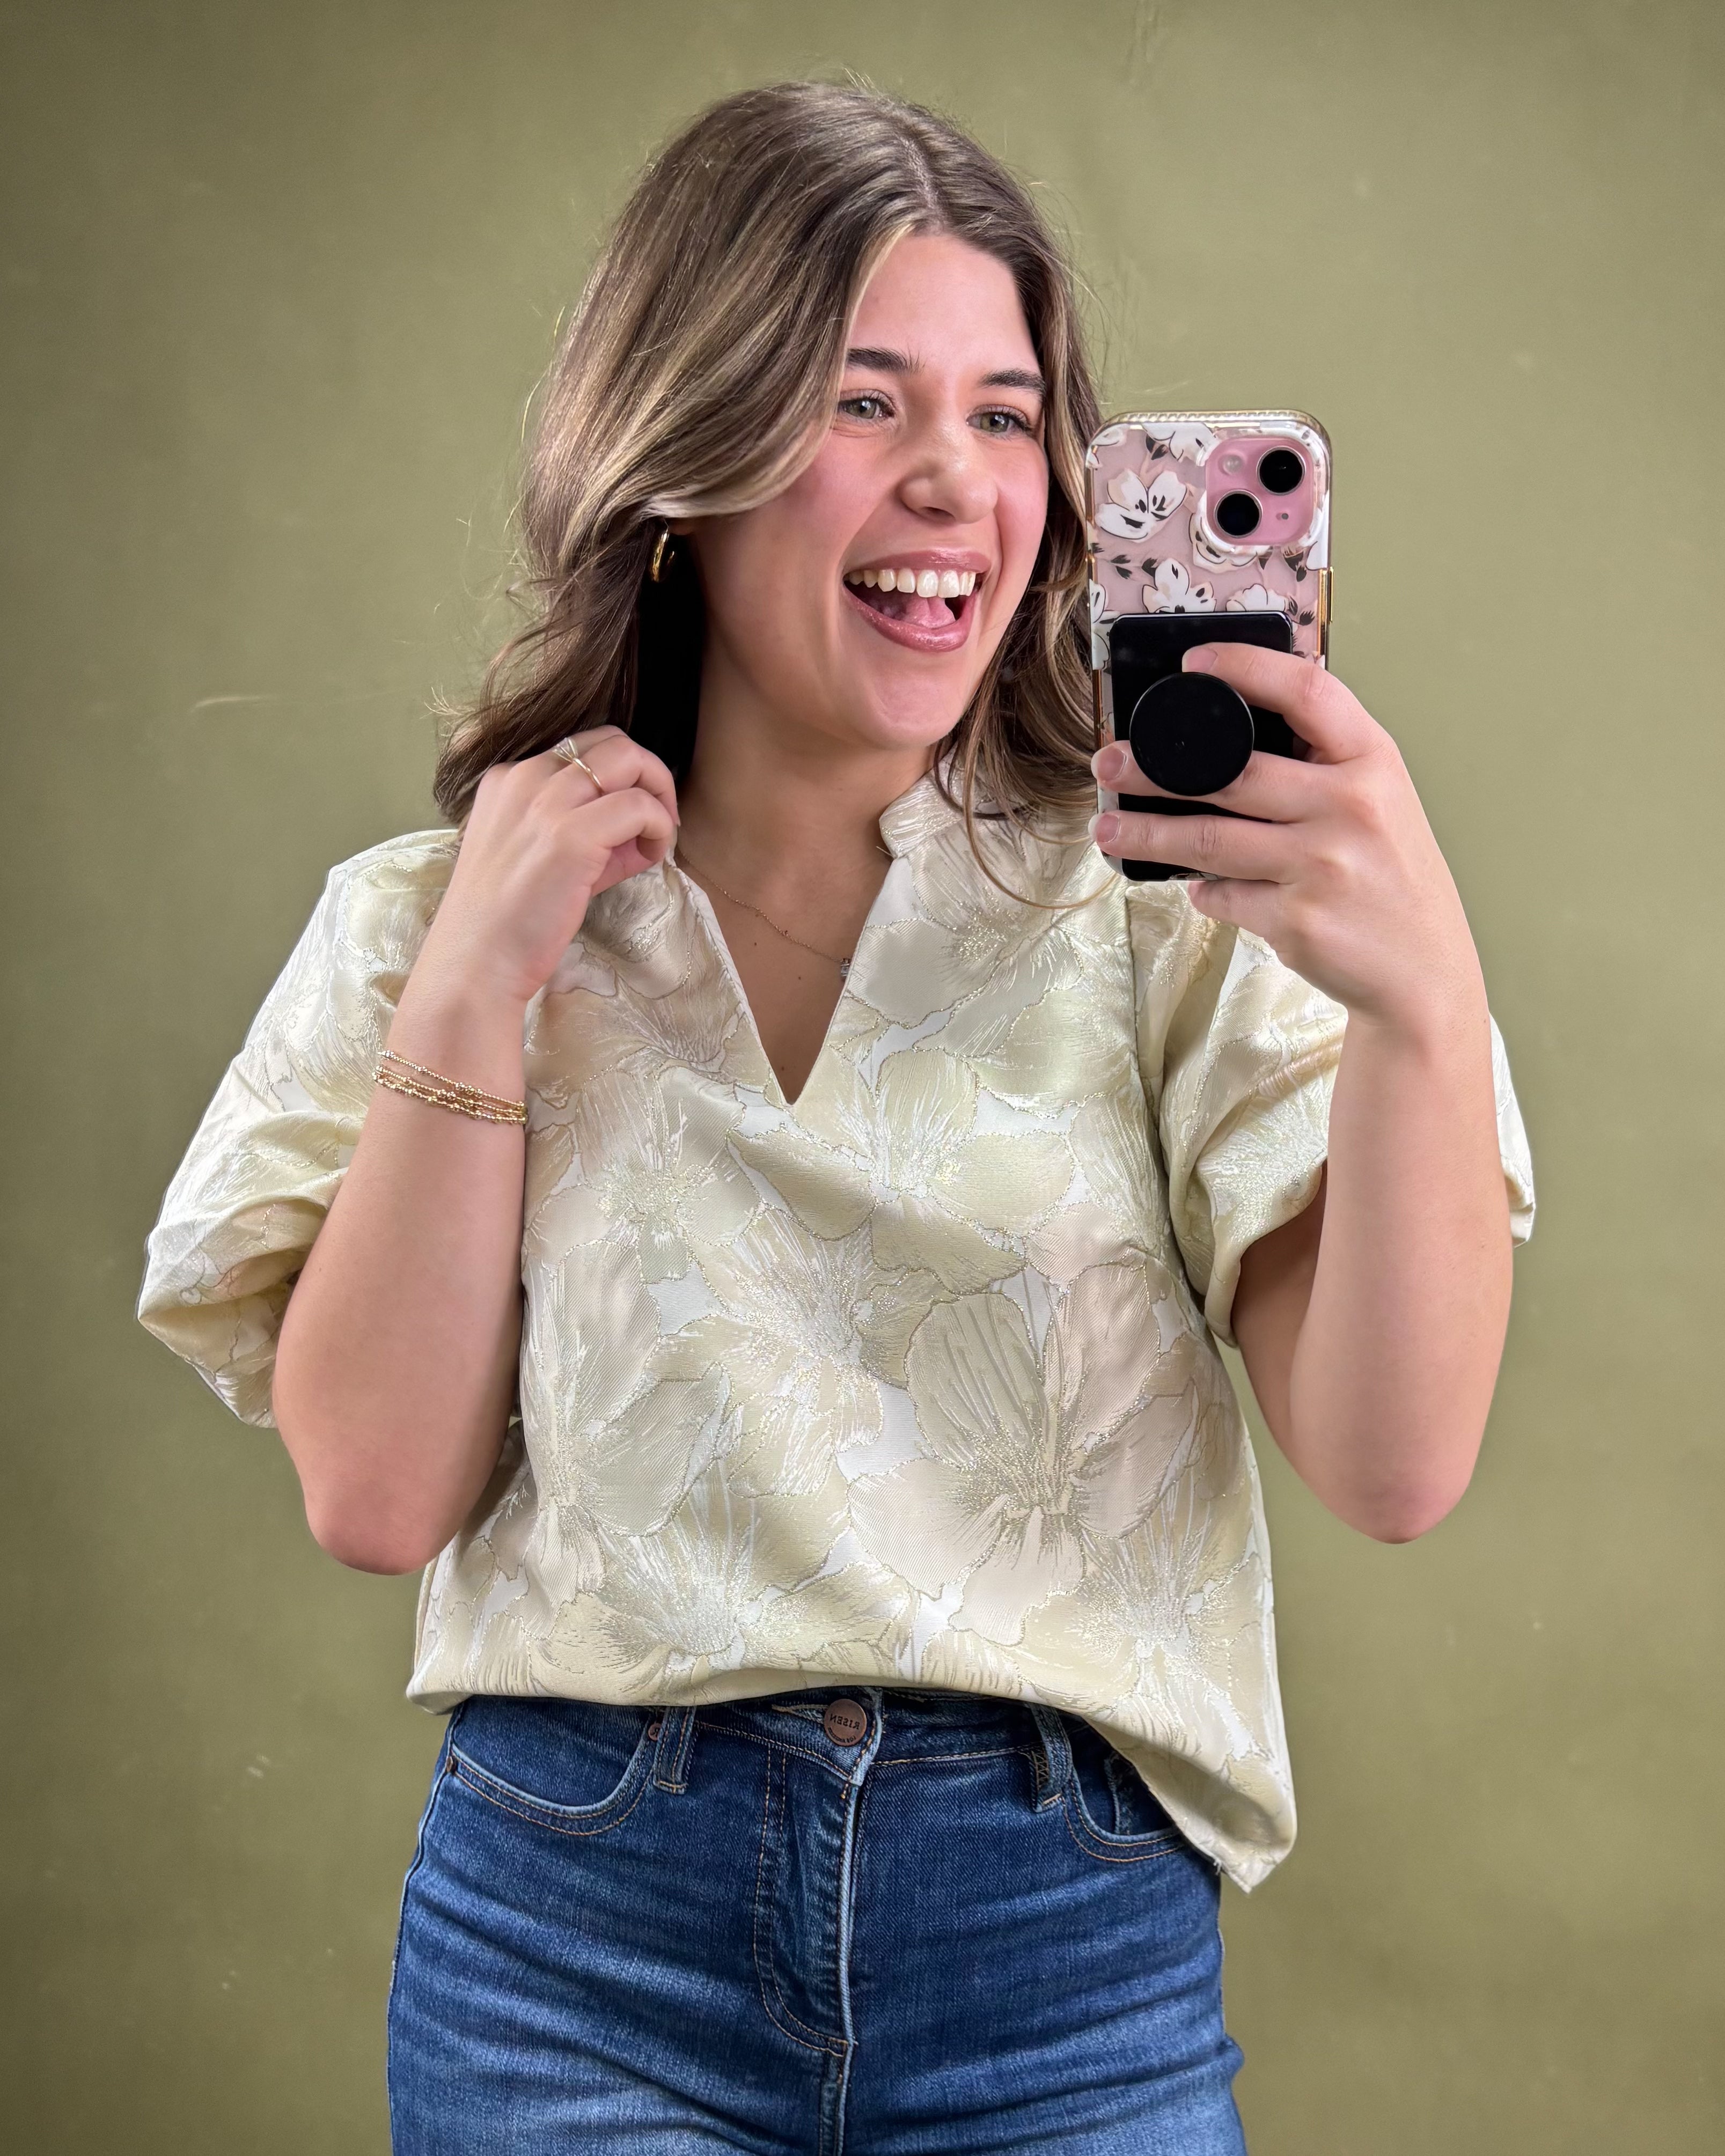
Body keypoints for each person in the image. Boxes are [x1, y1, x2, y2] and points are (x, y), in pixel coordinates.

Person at [138, 80, 1533, 2155]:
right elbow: (374, 1490)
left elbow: (1396, 1463)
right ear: (681, 455)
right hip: (575, 1970)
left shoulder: (1167, 914)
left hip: (1063, 1982)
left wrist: (1423, 995)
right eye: (864, 402)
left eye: (1004, 415)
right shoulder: (444, 922)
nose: (955, 480)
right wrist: (474, 991)